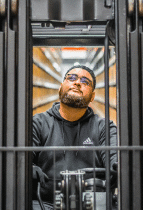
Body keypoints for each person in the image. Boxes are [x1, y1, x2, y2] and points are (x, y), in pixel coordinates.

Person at [32, 65, 118, 209]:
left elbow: (115, 158)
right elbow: (21, 160)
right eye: (71, 78)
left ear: (92, 96)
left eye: (85, 82)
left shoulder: (104, 127)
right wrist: (30, 167)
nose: (77, 82)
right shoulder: (38, 123)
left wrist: (119, 166)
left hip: (91, 204)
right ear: (60, 88)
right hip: (45, 204)